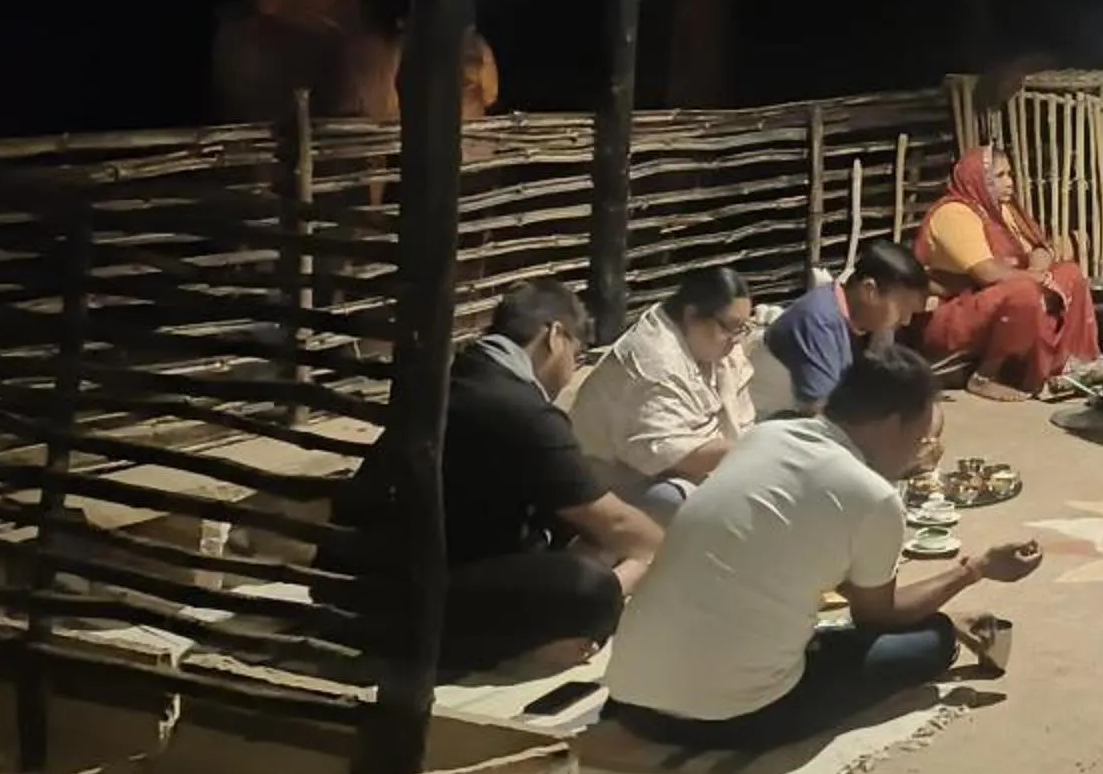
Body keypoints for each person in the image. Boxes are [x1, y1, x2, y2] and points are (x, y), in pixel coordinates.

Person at [599, 344, 1045, 752]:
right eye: (921, 441)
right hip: (734, 717)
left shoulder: (764, 436)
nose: (920, 454)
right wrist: (975, 569)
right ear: (893, 424)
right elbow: (878, 617)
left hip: (630, 699)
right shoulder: (872, 496)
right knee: (933, 641)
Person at [323, 282, 664, 676]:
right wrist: (666, 554)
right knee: (593, 586)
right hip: (402, 607)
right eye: (577, 355)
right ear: (555, 337)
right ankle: (546, 640)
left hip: (378, 583)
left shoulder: (467, 380)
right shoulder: (516, 409)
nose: (572, 372)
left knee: (592, 544)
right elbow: (614, 521)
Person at [568, 268, 760, 524]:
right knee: (680, 502)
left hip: (712, 465)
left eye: (742, 328)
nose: (736, 339)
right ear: (692, 316)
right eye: (729, 327)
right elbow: (669, 452)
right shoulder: (652, 361)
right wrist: (751, 449)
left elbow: (742, 421)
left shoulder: (722, 350)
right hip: (620, 479)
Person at [915, 148, 1101, 400]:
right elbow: (986, 273)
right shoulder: (954, 213)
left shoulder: (1002, 209)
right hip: (953, 312)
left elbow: (1039, 248)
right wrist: (1033, 278)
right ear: (978, 179)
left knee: (1070, 273)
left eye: (1009, 174)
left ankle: (1068, 364)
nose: (1010, 182)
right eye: (1000, 176)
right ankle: (984, 377)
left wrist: (1037, 270)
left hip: (993, 300)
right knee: (1023, 292)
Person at [752, 240, 930, 415]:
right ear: (870, 291)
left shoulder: (871, 326)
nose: (906, 320)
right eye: (902, 309)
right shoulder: (820, 320)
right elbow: (824, 414)